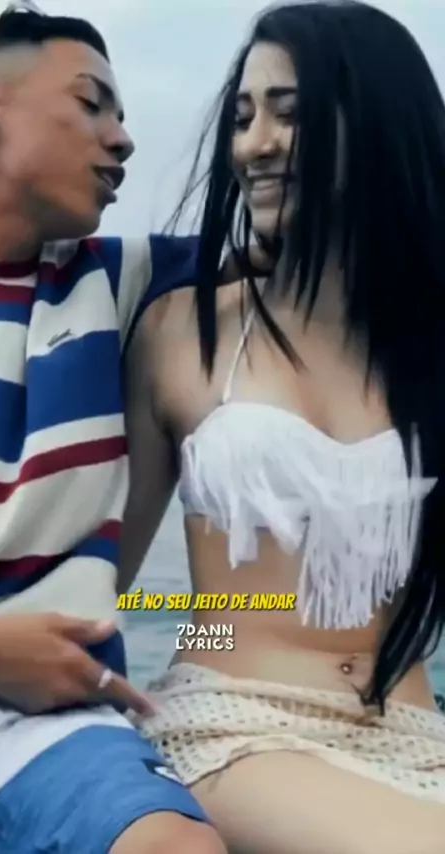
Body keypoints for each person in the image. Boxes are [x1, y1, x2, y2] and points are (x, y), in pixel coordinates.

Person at [121, 2, 445, 852]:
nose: (255, 144)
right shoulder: (183, 334)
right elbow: (107, 582)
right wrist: (211, 630)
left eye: (289, 114)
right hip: (234, 725)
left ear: (378, 126)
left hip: (414, 732)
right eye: (243, 117)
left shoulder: (429, 351)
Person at [0, 7, 228, 854]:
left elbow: (311, 242)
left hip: (50, 729)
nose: (122, 139)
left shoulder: (118, 283)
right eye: (91, 104)